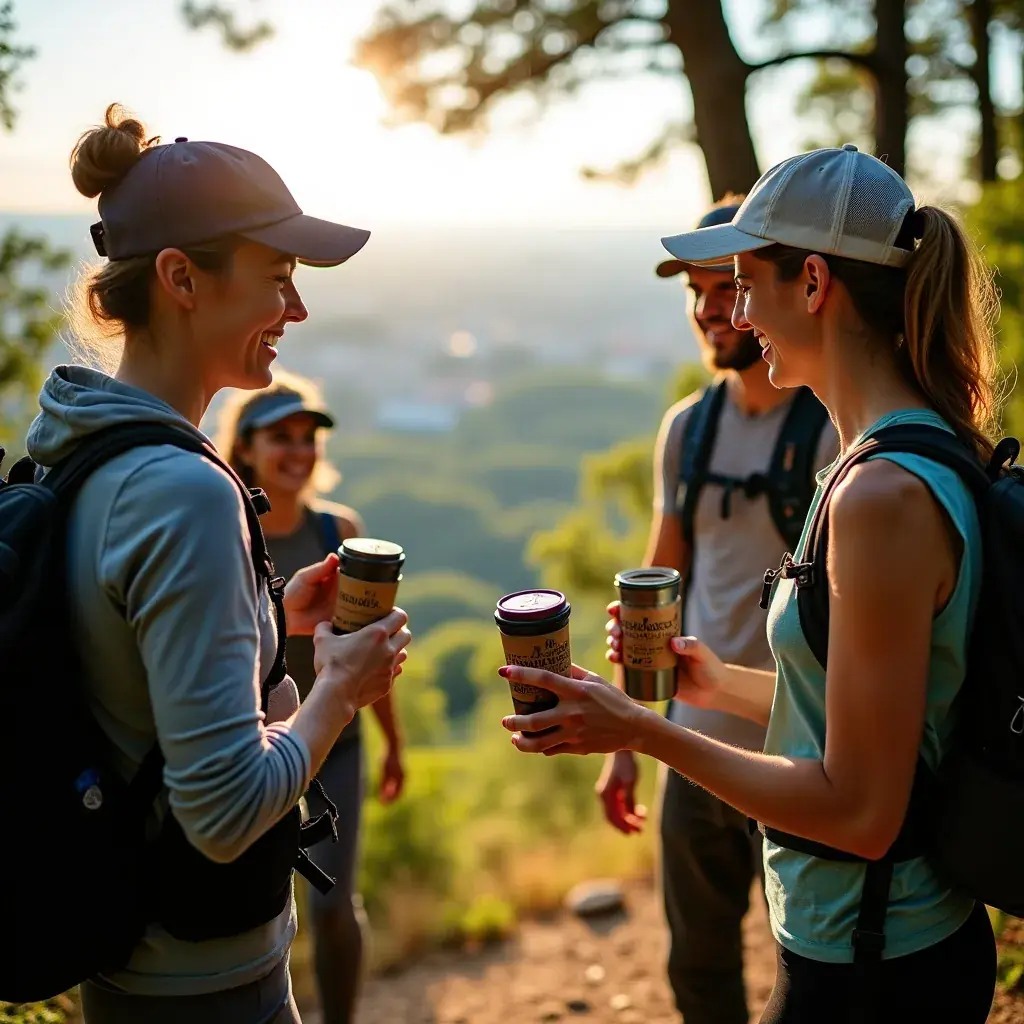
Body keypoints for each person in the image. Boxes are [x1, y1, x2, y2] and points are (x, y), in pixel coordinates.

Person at [499, 144, 1000, 1023]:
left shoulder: (881, 493)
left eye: (742, 280)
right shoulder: (882, 460)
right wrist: (712, 681)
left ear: (811, 282)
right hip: (869, 941)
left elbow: (861, 811)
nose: (735, 309)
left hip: (876, 960)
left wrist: (645, 736)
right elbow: (867, 715)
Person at [28, 104, 411, 1024]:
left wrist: (270, 621)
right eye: (277, 278)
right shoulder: (185, 492)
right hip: (208, 980)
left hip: (124, 956)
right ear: (180, 279)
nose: (298, 308)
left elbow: (123, 677)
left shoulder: (76, 448)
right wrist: (338, 692)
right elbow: (226, 811)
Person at [595, 196, 837, 1024]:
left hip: (802, 751)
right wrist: (628, 735)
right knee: (697, 964)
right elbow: (660, 581)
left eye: (724, 286)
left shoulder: (834, 429)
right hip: (692, 747)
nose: (707, 309)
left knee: (805, 971)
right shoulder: (686, 429)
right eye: (694, 291)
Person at [216, 371, 405, 1024]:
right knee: (257, 905)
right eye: (281, 438)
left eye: (308, 437)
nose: (299, 451)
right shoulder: (231, 529)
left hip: (340, 745)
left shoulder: (339, 531)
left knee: (331, 903)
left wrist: (394, 745)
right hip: (250, 743)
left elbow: (369, 650)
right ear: (245, 448)